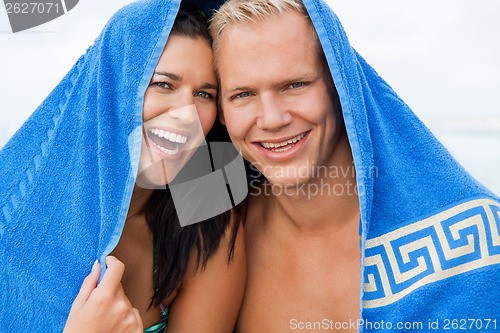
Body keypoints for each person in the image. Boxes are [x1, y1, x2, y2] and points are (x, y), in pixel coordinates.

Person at [209, 0, 500, 332]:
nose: (272, 119)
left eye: (295, 85)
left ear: (341, 86)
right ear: (221, 110)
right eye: (243, 94)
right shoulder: (219, 226)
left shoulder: (474, 241)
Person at [0, 2, 245, 333]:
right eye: (163, 84)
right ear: (113, 89)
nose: (186, 113)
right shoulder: (16, 216)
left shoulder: (206, 218)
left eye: (204, 93)